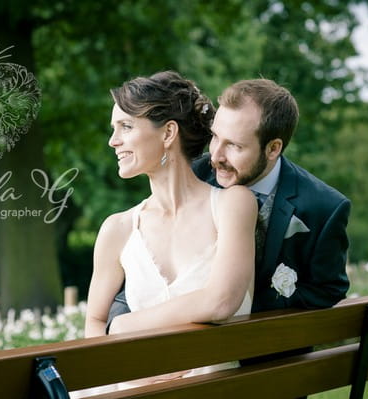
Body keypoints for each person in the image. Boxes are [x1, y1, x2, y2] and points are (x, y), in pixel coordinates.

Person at [72, 71, 257, 396]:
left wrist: (125, 325)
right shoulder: (118, 228)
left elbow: (222, 301)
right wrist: (125, 370)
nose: (113, 141)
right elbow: (95, 323)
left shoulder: (232, 204)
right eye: (113, 129)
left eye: (125, 127)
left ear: (169, 132)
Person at [108, 77, 350, 322]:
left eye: (234, 145)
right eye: (215, 137)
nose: (216, 156)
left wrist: (252, 301)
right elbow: (141, 264)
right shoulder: (192, 175)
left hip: (272, 354)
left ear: (273, 148)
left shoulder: (324, 207)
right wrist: (117, 325)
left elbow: (329, 289)